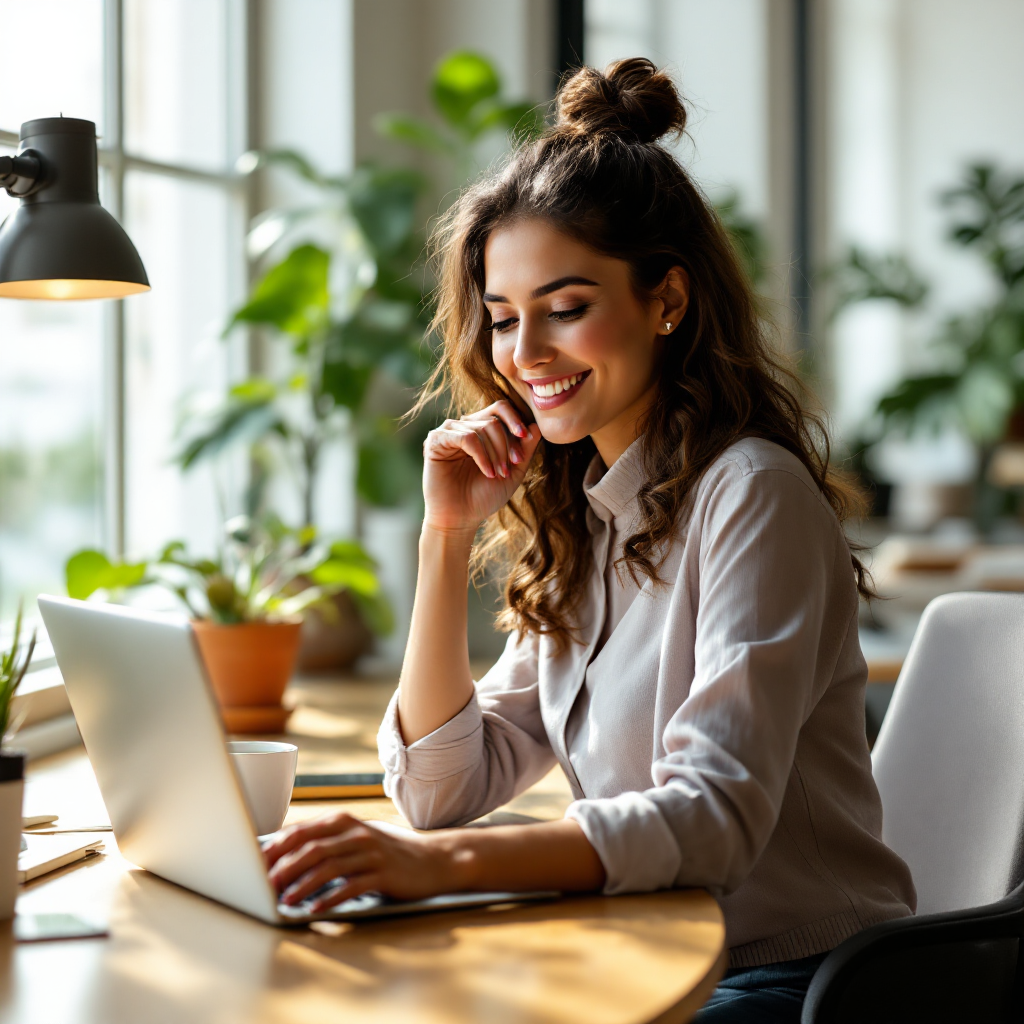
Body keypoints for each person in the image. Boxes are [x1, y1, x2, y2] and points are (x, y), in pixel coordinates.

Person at [263, 57, 916, 1022]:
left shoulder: (752, 496)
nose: (526, 356)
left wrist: (430, 870)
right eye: (502, 320)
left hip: (802, 981)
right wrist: (447, 539)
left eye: (566, 309)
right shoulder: (588, 519)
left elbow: (714, 821)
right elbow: (444, 790)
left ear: (667, 300)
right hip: (653, 941)